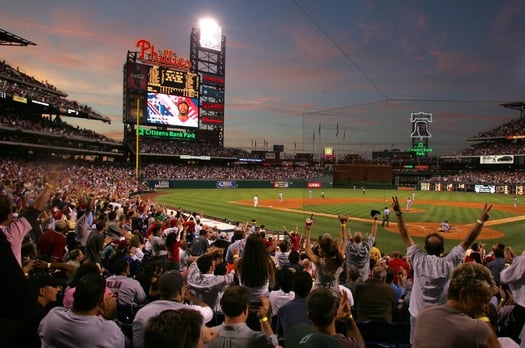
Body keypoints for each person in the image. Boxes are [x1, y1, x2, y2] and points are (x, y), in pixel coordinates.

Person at [391, 196, 492, 343]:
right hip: (442, 317)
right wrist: (480, 220)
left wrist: (398, 213)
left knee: (416, 343)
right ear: (443, 249)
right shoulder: (449, 262)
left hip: (417, 315)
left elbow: (405, 235)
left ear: (425, 248)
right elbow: (468, 241)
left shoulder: (418, 259)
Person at [413, 262, 500, 348]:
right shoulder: (476, 329)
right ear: (464, 295)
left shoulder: (424, 314)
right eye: (484, 301)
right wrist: (483, 318)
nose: (485, 308)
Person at [38, 273, 125, 348]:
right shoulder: (110, 331)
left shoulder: (52, 317)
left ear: (75, 295)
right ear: (100, 302)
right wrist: (112, 318)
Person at [132, 270, 213, 348]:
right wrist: (193, 298)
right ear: (182, 290)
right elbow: (209, 311)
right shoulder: (192, 315)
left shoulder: (141, 313)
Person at [206, 285, 278, 348]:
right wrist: (264, 319)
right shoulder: (257, 339)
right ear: (245, 310)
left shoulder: (206, 337)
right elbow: (274, 344)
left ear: (222, 308)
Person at [235, 233, 276, 303]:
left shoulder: (239, 262)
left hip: (245, 301)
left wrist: (235, 256)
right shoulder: (268, 262)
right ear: (261, 247)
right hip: (262, 301)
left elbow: (237, 279)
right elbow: (272, 284)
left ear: (247, 247)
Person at [277, 270, 313, 337]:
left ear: (293, 287)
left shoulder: (283, 310)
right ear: (311, 286)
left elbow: (280, 334)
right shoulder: (317, 309)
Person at [344, 213, 379, 283]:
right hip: (364, 278)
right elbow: (373, 233)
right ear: (362, 239)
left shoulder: (349, 247)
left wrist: (343, 223)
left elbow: (343, 237)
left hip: (350, 279)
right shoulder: (366, 247)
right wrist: (375, 221)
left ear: (353, 239)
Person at [499, 254, 525, 343]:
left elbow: (504, 278)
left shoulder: (522, 260)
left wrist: (509, 263)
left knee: (512, 339)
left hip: (521, 311)